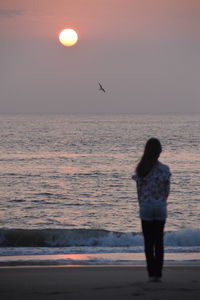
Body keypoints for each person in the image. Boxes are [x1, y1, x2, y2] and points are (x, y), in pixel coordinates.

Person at [132, 138, 171, 282]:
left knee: (148, 242)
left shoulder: (141, 169)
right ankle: (158, 274)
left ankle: (151, 274)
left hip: (146, 207)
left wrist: (142, 205)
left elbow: (139, 192)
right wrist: (161, 202)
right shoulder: (165, 169)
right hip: (160, 207)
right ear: (159, 152)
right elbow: (167, 191)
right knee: (159, 241)